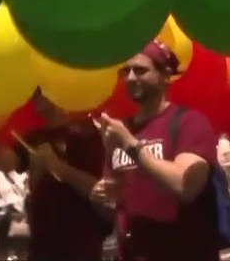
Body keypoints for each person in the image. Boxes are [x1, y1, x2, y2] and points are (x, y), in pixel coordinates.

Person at [91, 40, 221, 261]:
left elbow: (184, 185)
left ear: (165, 76)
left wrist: (131, 145)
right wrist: (99, 197)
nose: (131, 78)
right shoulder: (123, 130)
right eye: (126, 71)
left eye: (140, 70)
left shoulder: (189, 122)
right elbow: (114, 205)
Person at [0, 87, 109, 261]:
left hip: (81, 243)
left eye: (39, 93)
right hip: (42, 245)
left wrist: (59, 168)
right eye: (34, 95)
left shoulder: (88, 133)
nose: (35, 100)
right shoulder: (34, 137)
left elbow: (100, 189)